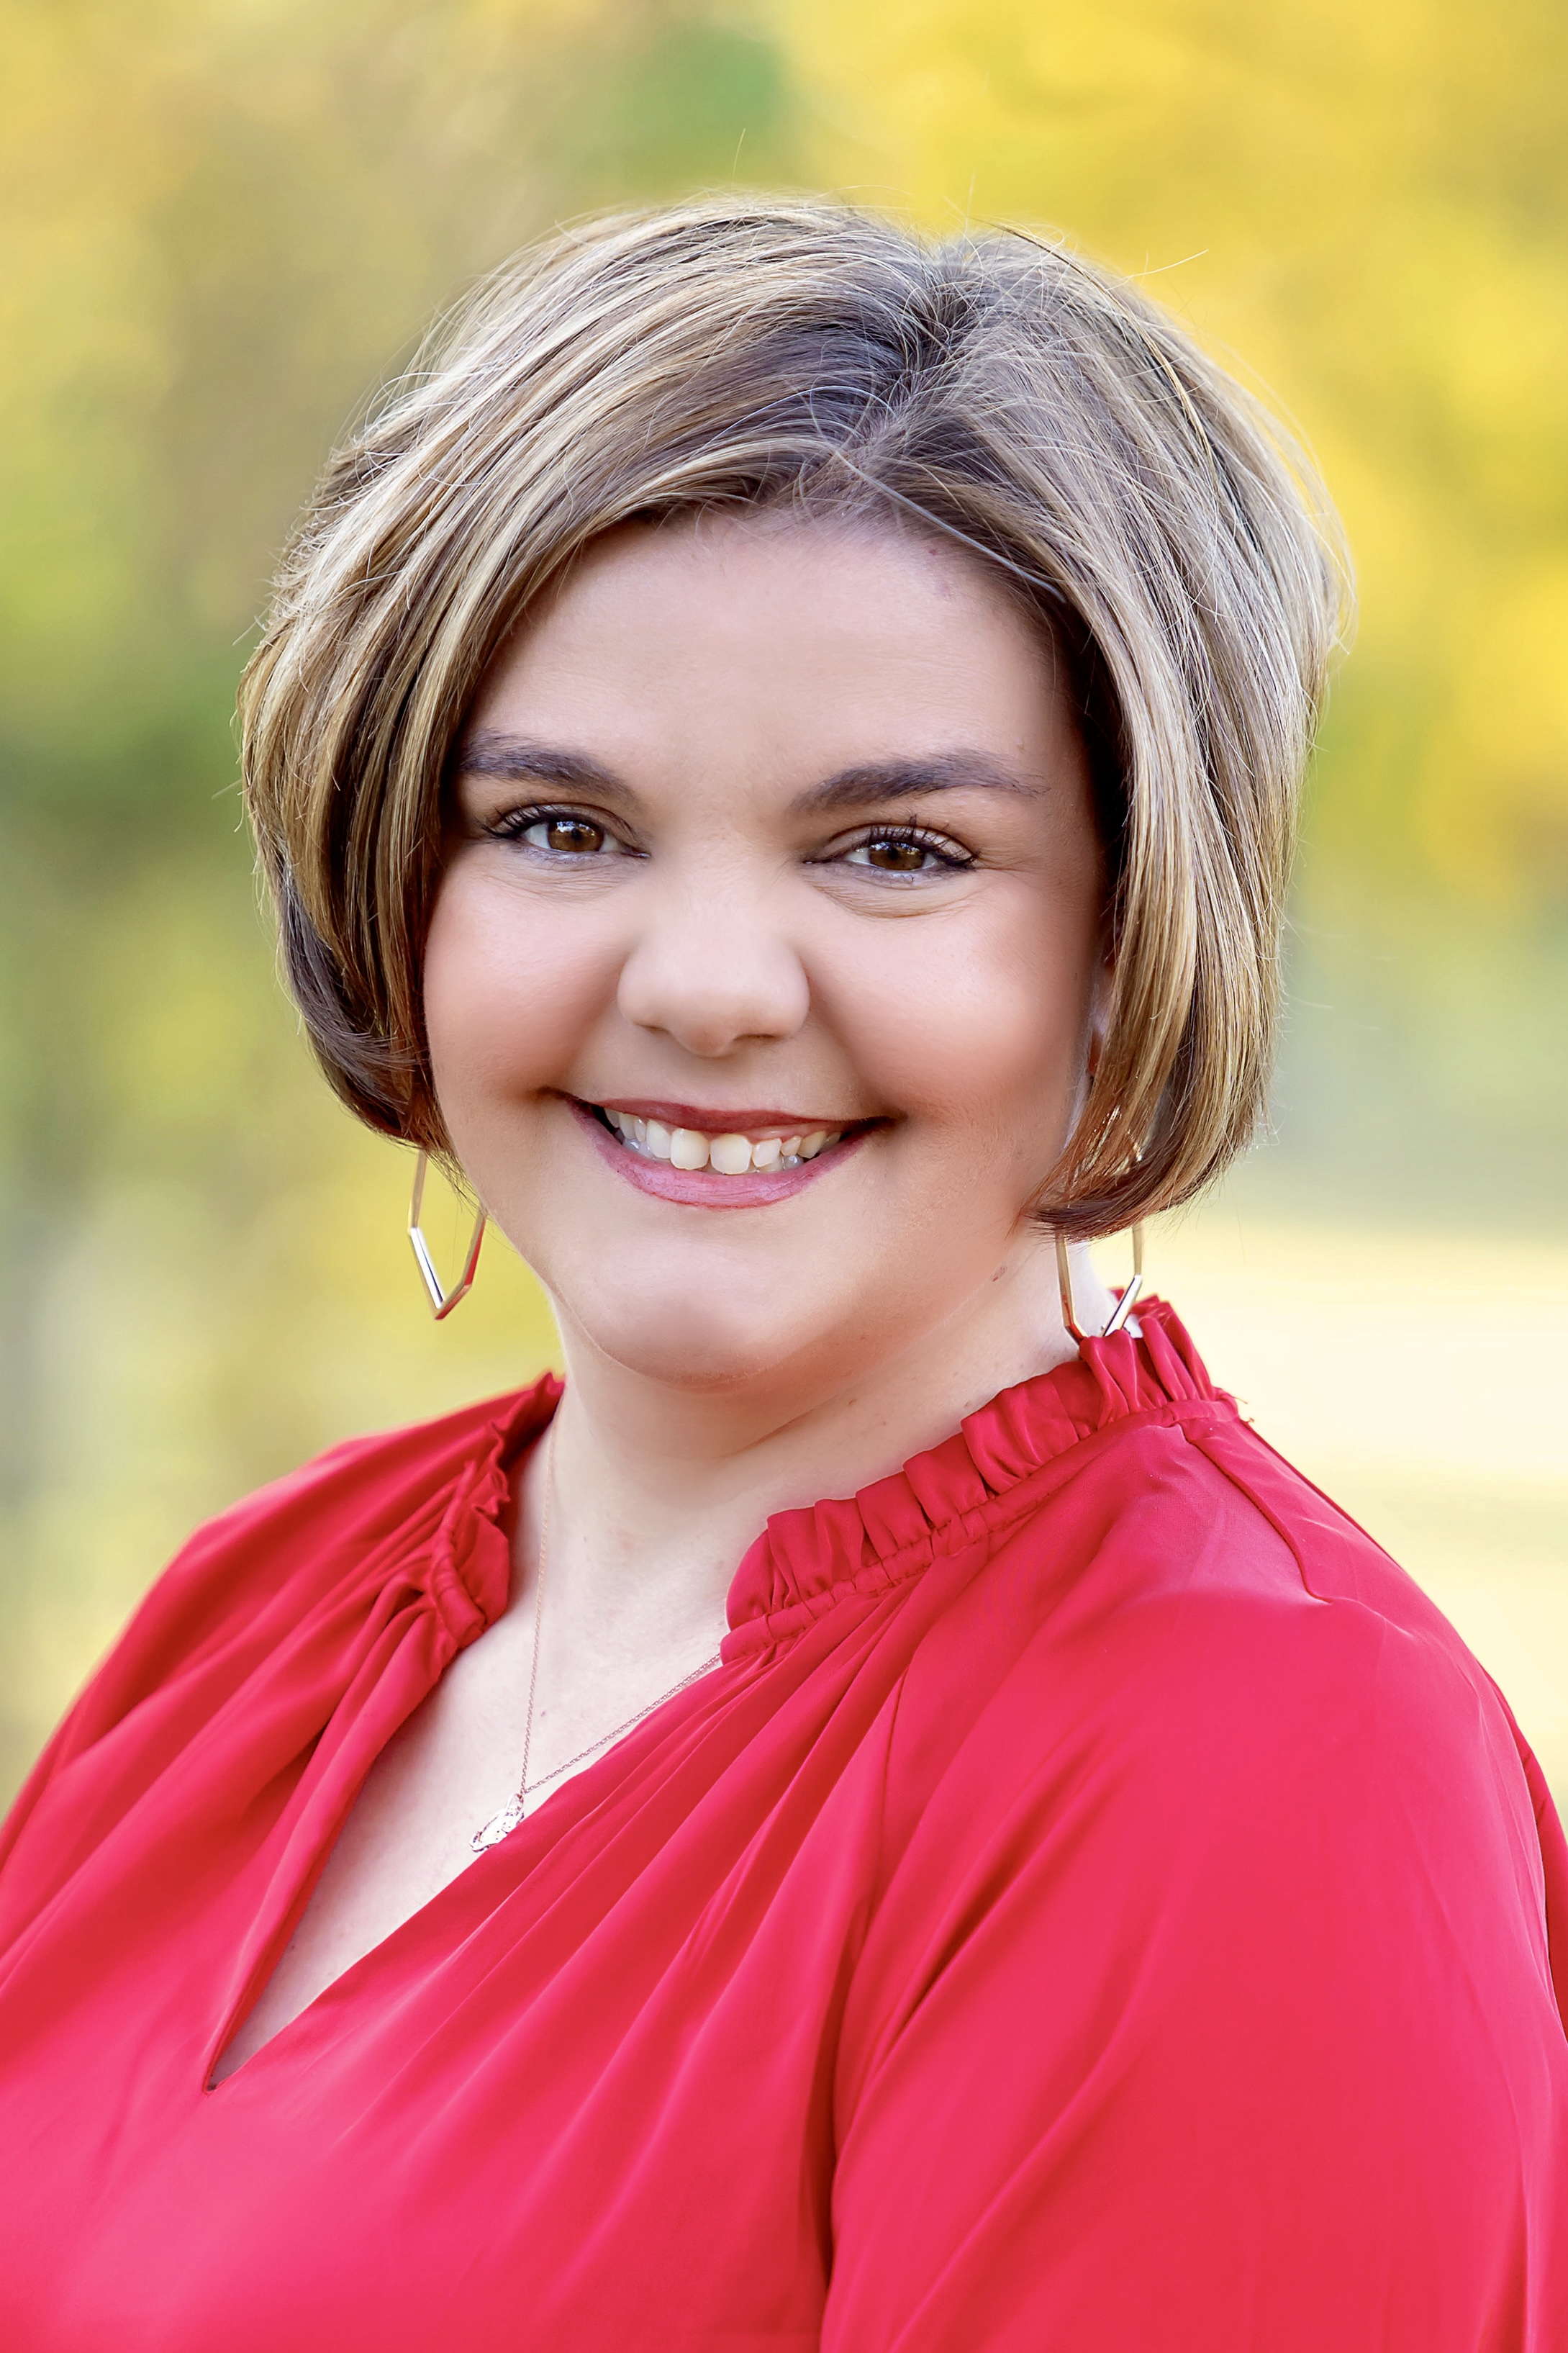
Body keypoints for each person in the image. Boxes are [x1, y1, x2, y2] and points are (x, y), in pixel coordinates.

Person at [0, 197, 1563, 2352]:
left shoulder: (1253, 1769)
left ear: (1131, 936)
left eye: (897, 852)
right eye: (561, 827)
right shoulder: (250, 1616)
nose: (712, 986)